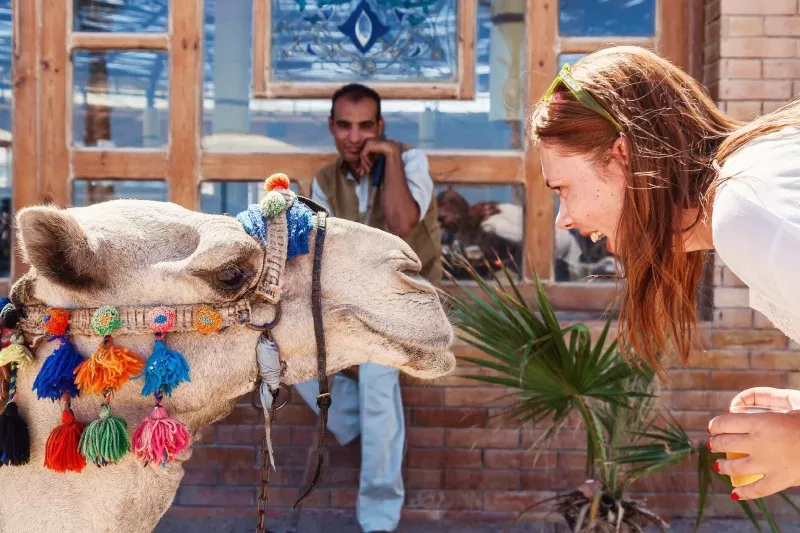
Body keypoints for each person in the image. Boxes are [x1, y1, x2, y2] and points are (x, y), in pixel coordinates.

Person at [528, 45, 800, 502]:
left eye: (564, 188)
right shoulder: (751, 186)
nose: (564, 219)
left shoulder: (748, 210)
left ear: (622, 156)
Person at [294, 83, 442, 533]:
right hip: (351, 303)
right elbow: (325, 252)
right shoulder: (325, 179)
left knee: (378, 385)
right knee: (292, 361)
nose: (354, 136)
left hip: (406, 301)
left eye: (364, 126)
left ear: (379, 127)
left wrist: (391, 158)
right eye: (344, 125)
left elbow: (402, 223)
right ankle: (361, 422)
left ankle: (378, 518)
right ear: (332, 128)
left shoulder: (411, 160)